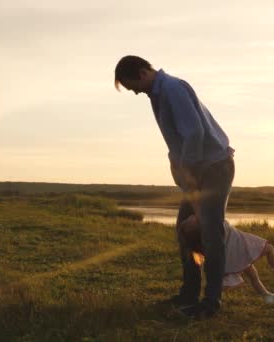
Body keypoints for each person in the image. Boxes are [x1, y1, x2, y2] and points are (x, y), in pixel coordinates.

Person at [115, 56, 235, 319]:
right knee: (184, 230)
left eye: (132, 84)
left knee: (210, 233)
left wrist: (186, 169)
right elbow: (178, 140)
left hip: (213, 168)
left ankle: (211, 303)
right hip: (196, 170)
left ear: (142, 71)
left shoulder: (171, 89)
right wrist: (178, 168)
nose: (134, 91)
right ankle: (189, 294)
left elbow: (194, 134)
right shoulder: (158, 94)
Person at [178, 215, 274, 304]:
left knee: (255, 271)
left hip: (238, 249)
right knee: (255, 270)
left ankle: (269, 290)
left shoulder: (209, 225)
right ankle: (210, 298)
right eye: (191, 220)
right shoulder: (211, 229)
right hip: (236, 251)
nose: (192, 216)